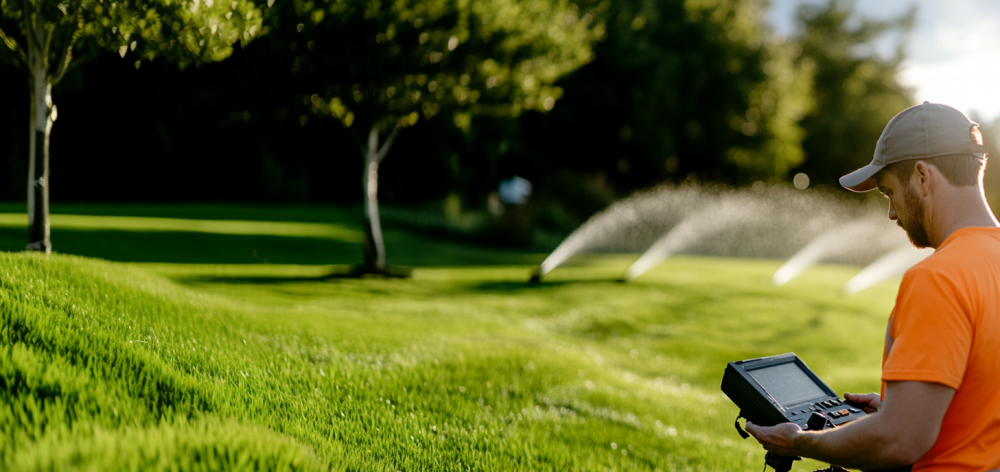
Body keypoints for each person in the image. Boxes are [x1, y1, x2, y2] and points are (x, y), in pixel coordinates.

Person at [745, 102, 1000, 471]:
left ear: (923, 177)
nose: (892, 213)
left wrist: (799, 441)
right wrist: (903, 408)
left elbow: (899, 442)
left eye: (888, 192)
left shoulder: (939, 277)